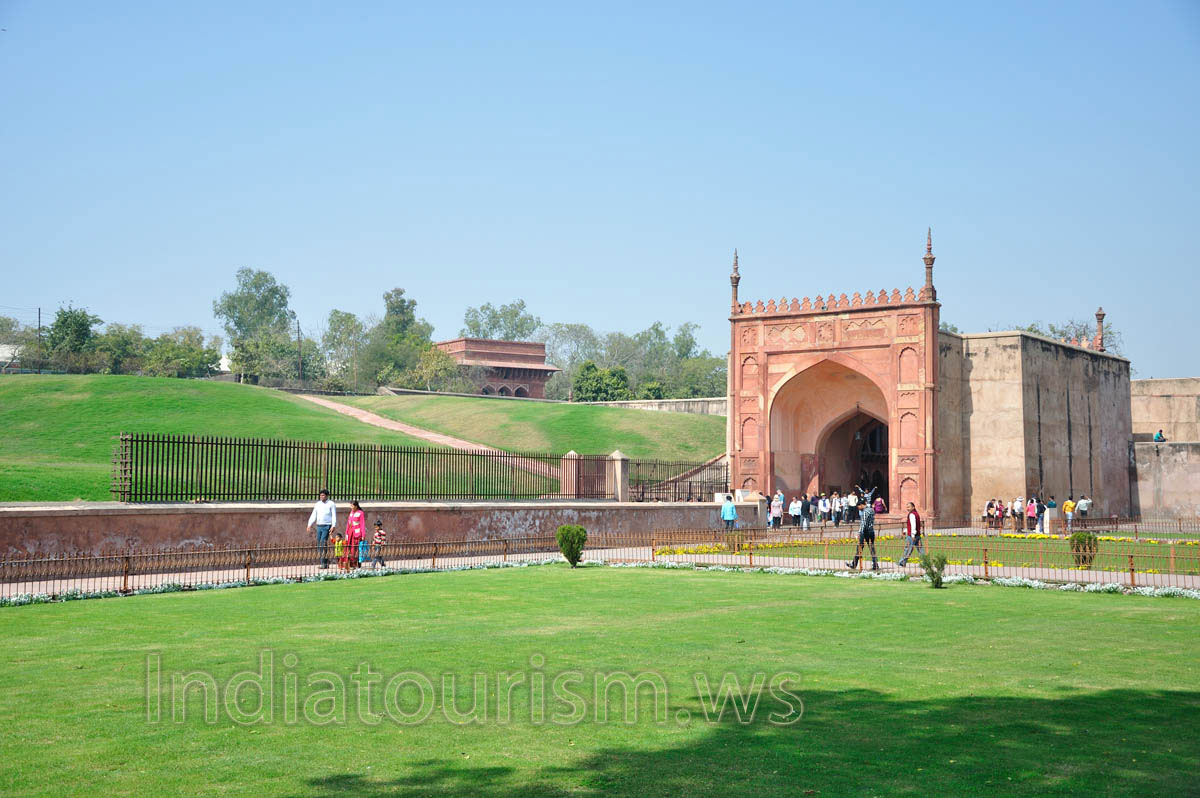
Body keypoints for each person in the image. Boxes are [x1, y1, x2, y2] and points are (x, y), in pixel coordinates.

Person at [306, 488, 337, 569]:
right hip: (319, 525)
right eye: (320, 495)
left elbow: (334, 515)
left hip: (327, 526)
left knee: (323, 543)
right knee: (319, 544)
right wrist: (309, 524)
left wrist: (333, 525)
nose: (321, 497)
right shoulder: (318, 504)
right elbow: (314, 515)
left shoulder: (331, 504)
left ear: (327, 496)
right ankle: (324, 562)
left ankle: (324, 563)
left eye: (323, 495)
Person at [845, 498, 878, 571]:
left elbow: (863, 523)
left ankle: (854, 564)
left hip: (865, 531)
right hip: (871, 530)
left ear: (861, 505)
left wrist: (860, 532)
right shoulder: (871, 510)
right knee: (871, 548)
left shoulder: (865, 512)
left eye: (858, 507)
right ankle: (875, 564)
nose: (858, 508)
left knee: (859, 548)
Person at [897, 501, 925, 567]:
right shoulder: (916, 514)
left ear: (913, 507)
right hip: (917, 534)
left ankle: (902, 562)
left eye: (909, 507)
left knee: (908, 549)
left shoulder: (912, 514)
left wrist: (912, 534)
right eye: (907, 507)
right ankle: (925, 561)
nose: (907, 508)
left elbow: (913, 525)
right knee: (920, 549)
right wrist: (906, 530)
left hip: (912, 535)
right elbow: (913, 525)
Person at [345, 500, 366, 568]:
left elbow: (362, 524)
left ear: (356, 506)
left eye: (352, 506)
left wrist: (363, 535)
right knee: (349, 548)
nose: (351, 507)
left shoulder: (360, 513)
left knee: (355, 548)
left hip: (356, 533)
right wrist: (346, 533)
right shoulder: (351, 512)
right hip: (350, 532)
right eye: (350, 506)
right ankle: (350, 564)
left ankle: (356, 564)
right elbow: (348, 524)